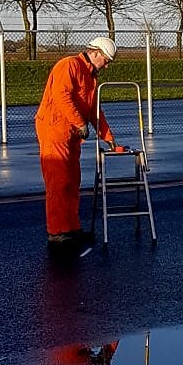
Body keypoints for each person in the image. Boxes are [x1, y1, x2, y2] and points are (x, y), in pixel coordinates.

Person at [35, 37, 116, 252]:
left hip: (71, 132)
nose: (106, 66)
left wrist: (108, 137)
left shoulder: (90, 76)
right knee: (58, 181)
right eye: (106, 61)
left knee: (72, 181)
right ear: (96, 53)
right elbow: (61, 96)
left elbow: (94, 110)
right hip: (54, 128)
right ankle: (57, 232)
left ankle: (71, 228)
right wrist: (80, 123)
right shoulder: (69, 65)